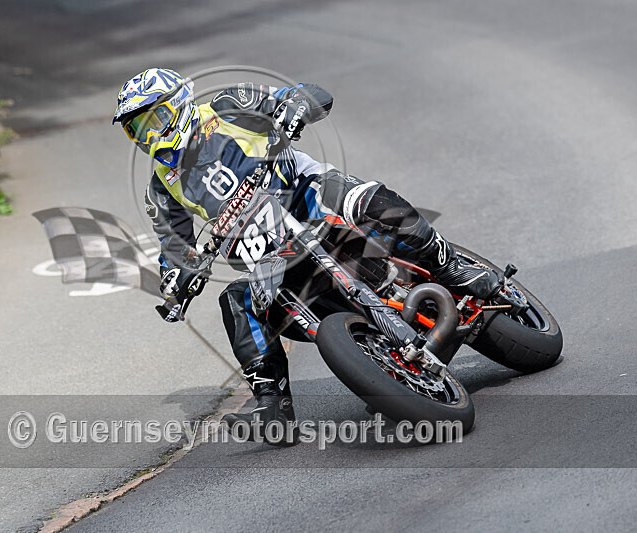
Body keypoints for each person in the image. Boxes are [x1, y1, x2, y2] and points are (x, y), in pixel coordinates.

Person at [113, 68, 502, 444]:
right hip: (266, 249)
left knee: (364, 200)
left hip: (306, 195)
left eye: (154, 119)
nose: (149, 135)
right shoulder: (161, 189)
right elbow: (172, 245)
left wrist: (295, 106)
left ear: (180, 103)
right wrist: (175, 280)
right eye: (137, 129)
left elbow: (308, 95)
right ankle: (273, 407)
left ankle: (450, 265)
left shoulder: (227, 105)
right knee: (235, 300)